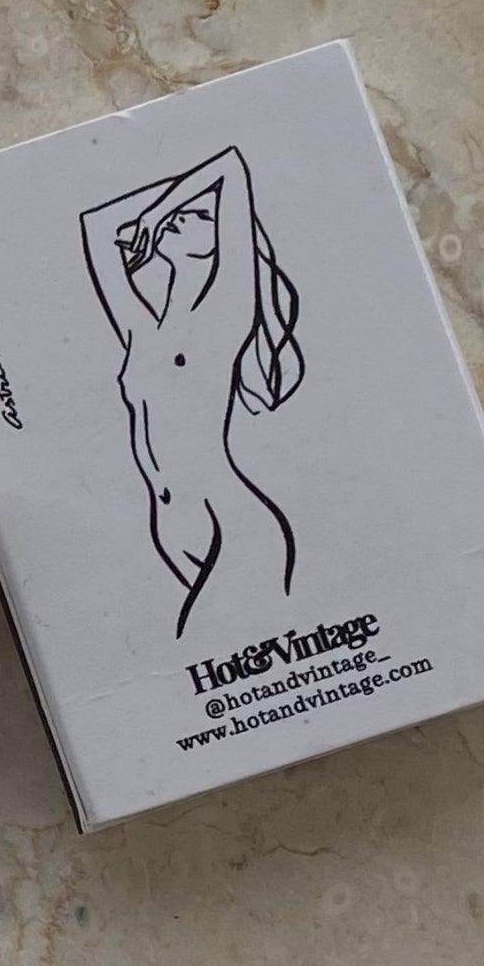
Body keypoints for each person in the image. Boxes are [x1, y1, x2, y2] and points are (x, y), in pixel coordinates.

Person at [79, 145, 306, 638]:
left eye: (202, 215)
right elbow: (97, 226)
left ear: (225, 238)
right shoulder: (144, 329)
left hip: (230, 524)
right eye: (183, 212)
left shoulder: (226, 312)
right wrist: (159, 214)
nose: (182, 216)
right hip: (172, 526)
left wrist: (160, 210)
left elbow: (230, 167)